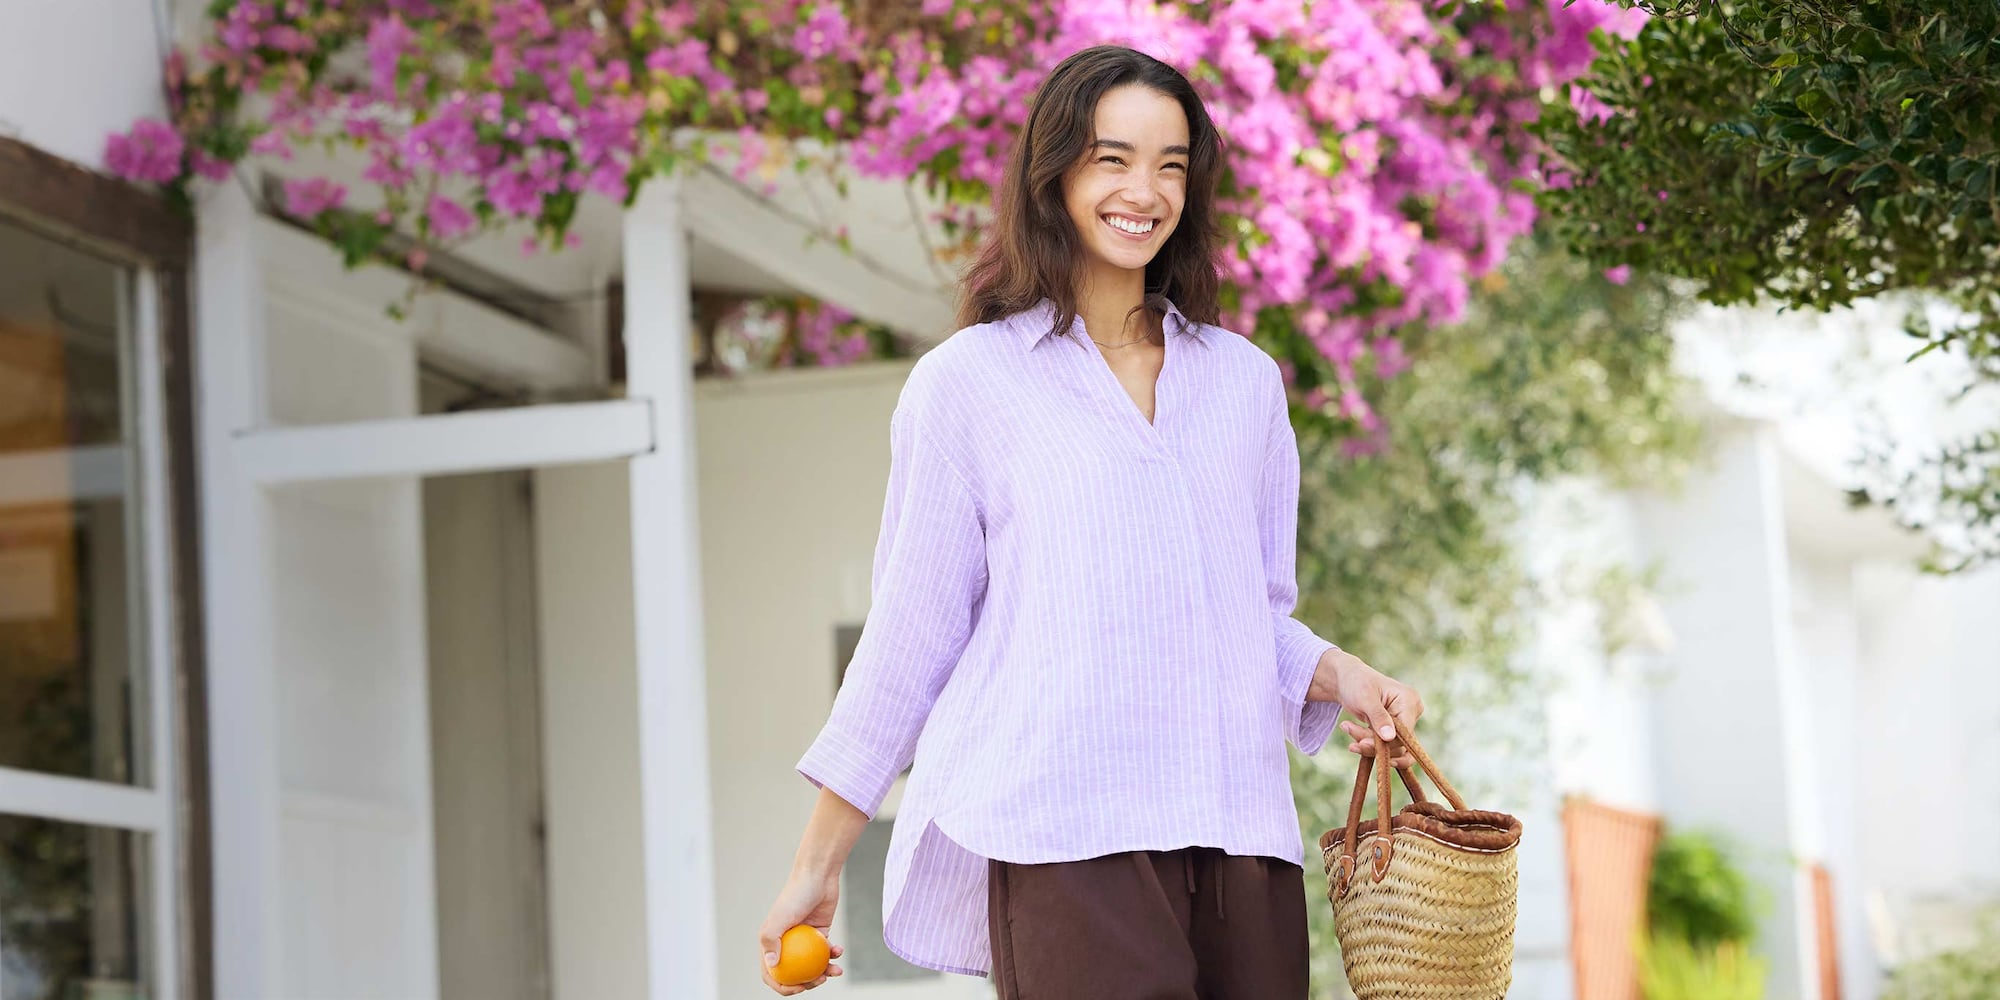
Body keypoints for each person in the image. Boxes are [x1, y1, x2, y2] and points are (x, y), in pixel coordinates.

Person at [756, 44, 1424, 999]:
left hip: (1241, 837)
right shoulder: (969, 386)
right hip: (1068, 836)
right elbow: (908, 641)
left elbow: (1252, 615)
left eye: (1170, 164)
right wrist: (816, 867)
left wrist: (1343, 675)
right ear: (1056, 172)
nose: (1142, 190)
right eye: (1112, 158)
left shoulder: (1243, 385)